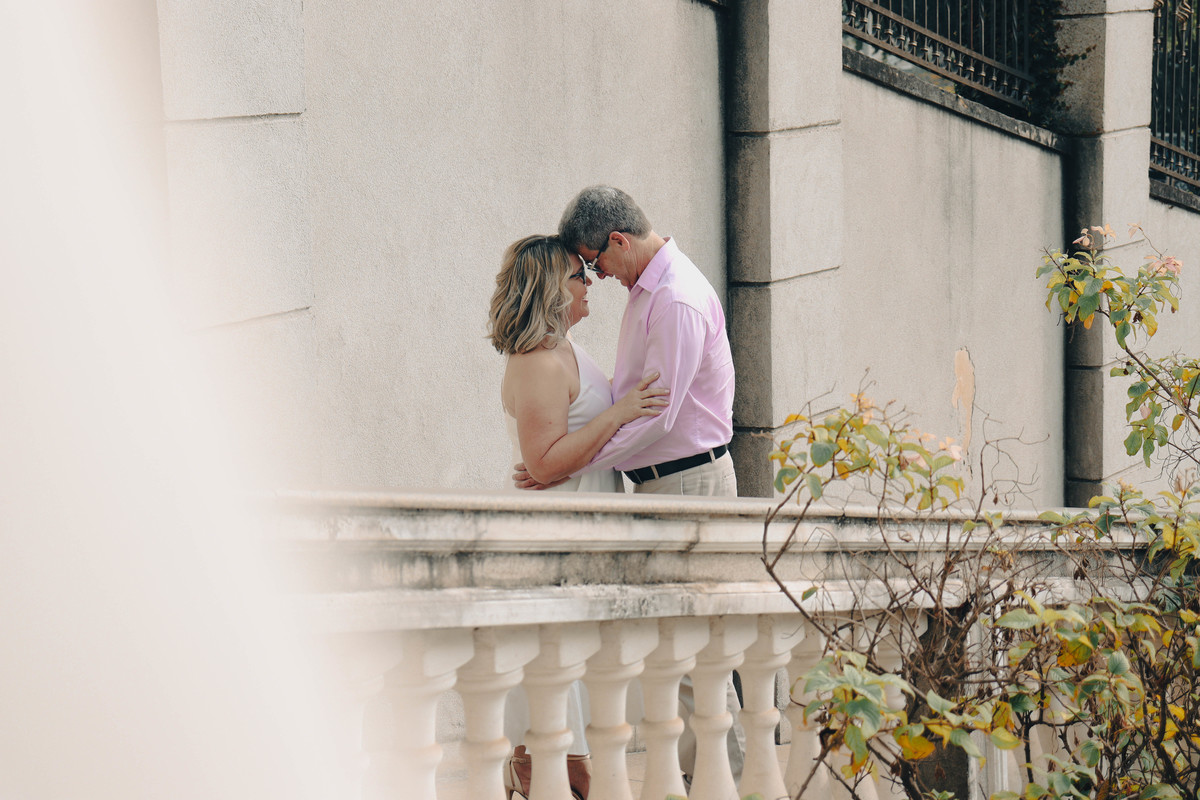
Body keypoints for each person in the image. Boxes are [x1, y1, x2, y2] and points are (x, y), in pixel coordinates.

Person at [518, 186, 743, 789]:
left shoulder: (675, 300)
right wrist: (576, 457)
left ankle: (719, 782)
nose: (597, 277)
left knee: (692, 646)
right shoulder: (646, 291)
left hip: (687, 482)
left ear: (618, 240)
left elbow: (657, 417)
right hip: (660, 486)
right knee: (672, 646)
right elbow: (630, 401)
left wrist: (567, 464)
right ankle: (699, 778)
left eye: (595, 263)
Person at [486, 234, 668, 800]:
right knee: (558, 651)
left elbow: (555, 453)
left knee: (575, 653)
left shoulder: (564, 348)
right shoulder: (538, 363)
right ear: (549, 289)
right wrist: (619, 412)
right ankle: (556, 768)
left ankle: (535, 766)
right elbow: (544, 462)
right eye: (577, 275)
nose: (589, 283)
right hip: (556, 534)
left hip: (583, 524)